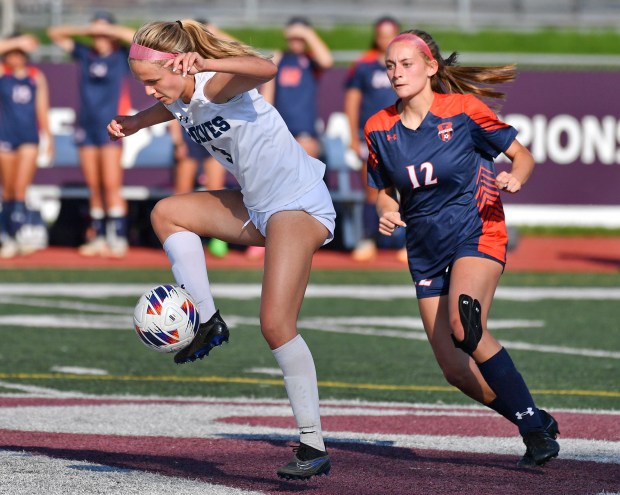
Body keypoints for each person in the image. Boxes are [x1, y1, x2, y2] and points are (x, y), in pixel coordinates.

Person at [106, 19, 334, 480]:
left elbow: (265, 68)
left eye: (151, 81)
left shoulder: (216, 83)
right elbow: (176, 107)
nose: (148, 91)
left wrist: (206, 61)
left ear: (180, 63)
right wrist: (134, 123)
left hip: (298, 206)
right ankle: (206, 321)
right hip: (258, 208)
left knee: (275, 324)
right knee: (167, 212)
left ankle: (312, 444)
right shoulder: (179, 94)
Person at [365, 29, 560, 468]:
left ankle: (534, 435)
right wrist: (385, 208)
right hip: (425, 248)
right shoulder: (379, 126)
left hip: (478, 231)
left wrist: (516, 177)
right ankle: (533, 417)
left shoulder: (465, 110)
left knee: (464, 322)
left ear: (431, 67)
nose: (397, 73)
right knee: (455, 371)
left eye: (406, 64)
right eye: (390, 66)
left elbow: (522, 156)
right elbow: (384, 189)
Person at [47, 12, 135, 258]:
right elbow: (55, 34)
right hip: (86, 126)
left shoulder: (121, 55)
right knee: (94, 186)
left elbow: (138, 39)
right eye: (95, 34)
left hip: (112, 126)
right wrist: (90, 29)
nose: (99, 37)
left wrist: (108, 30)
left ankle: (117, 235)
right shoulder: (85, 53)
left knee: (110, 184)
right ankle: (97, 235)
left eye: (103, 33)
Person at [344, 16, 406, 263]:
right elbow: (352, 101)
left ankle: (407, 241)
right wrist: (352, 135)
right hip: (371, 137)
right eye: (382, 34)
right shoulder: (364, 65)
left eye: (391, 34)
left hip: (404, 135)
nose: (386, 39)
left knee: (407, 188)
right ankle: (369, 238)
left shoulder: (407, 64)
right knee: (372, 190)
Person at [0, 34, 53, 258]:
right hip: (5, 136)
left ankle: (18, 234)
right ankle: (6, 235)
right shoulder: (3, 74)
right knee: (8, 190)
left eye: (19, 52)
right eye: (12, 52)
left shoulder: (35, 76)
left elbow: (42, 109)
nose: (15, 56)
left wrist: (48, 137)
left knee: (21, 189)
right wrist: (17, 41)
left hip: (29, 137)